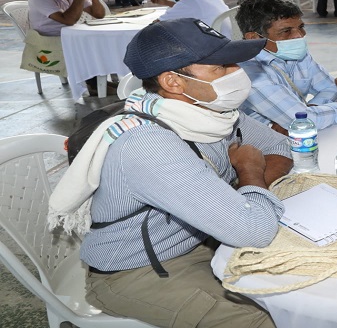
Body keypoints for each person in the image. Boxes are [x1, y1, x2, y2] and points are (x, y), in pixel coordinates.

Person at [48, 18, 292, 327]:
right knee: (268, 322)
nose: (237, 73)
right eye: (220, 67)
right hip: (139, 271)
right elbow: (254, 231)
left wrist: (241, 207)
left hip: (203, 241)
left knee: (301, 292)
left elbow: (280, 148)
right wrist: (249, 172)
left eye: (232, 62)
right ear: (173, 82)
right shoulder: (147, 143)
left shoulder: (213, 112)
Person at [235, 0, 337, 132]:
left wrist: (309, 110)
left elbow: (331, 88)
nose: (299, 35)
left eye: (300, 27)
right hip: (260, 144)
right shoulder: (251, 75)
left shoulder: (295, 54)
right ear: (254, 38)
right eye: (286, 31)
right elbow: (307, 122)